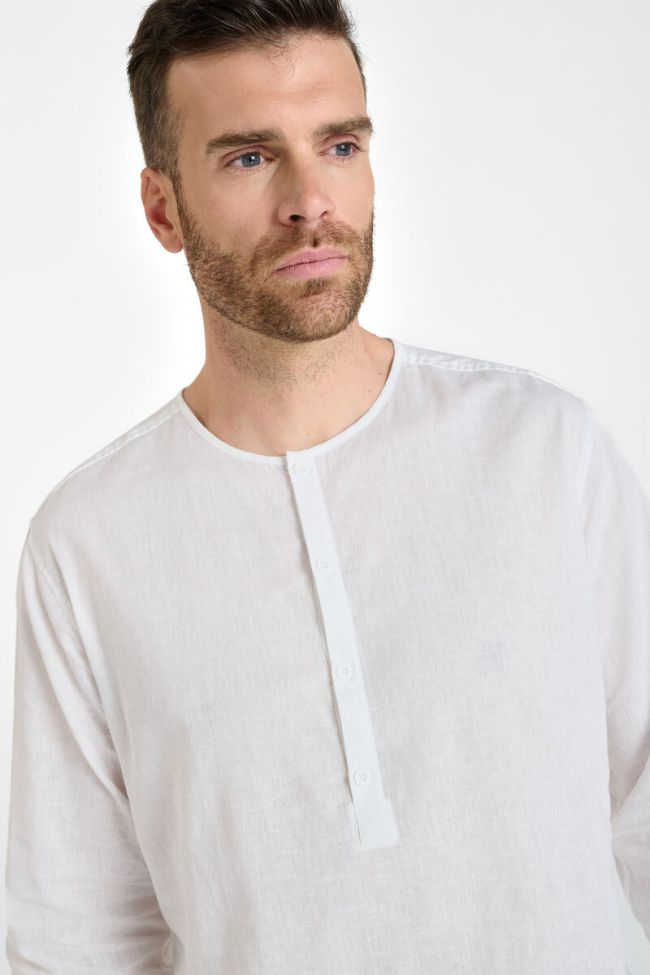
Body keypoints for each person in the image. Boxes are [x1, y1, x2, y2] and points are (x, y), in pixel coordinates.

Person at [4, 1, 649, 972]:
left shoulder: (543, 451)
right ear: (162, 209)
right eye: (249, 157)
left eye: (339, 145)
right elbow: (76, 936)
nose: (310, 200)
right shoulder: (88, 543)